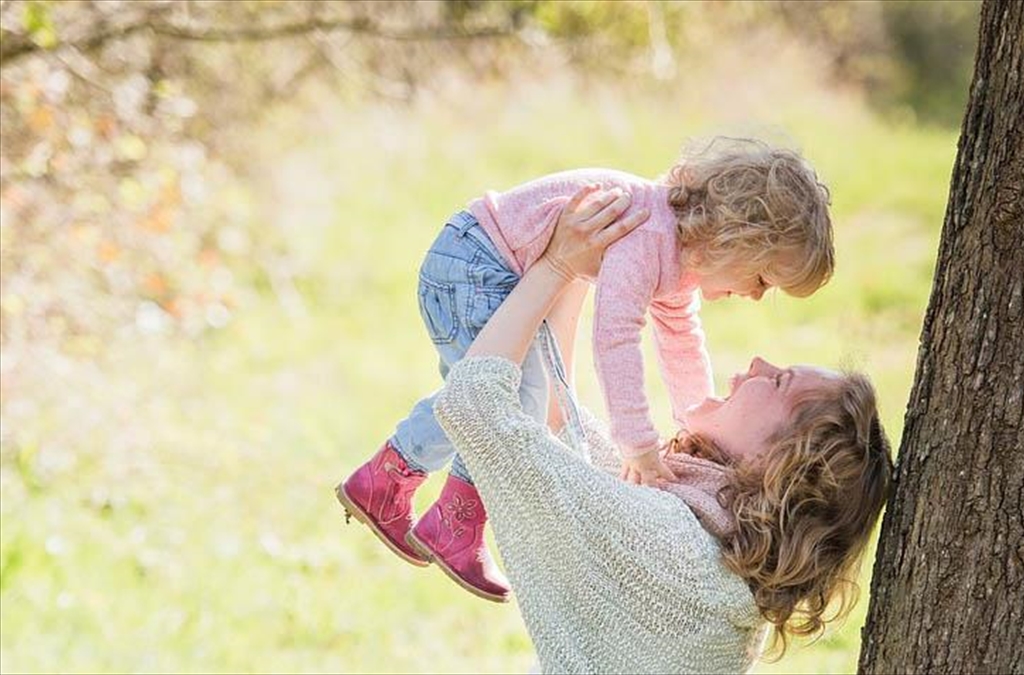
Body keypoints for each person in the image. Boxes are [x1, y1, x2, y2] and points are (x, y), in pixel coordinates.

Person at [337, 137, 835, 602]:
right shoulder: (650, 235)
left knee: (502, 394)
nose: (754, 295)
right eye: (763, 278)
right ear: (734, 238)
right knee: (502, 396)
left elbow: (681, 342)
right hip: (474, 265)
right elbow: (614, 337)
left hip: (485, 265)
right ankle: (447, 515)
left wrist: (695, 422)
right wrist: (637, 442)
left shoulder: (678, 256)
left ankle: (395, 485)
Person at [418, 198, 894, 672]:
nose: (756, 364)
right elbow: (559, 422)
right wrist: (585, 272)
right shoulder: (710, 541)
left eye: (777, 382)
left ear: (781, 461)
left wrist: (556, 264)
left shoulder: (673, 552)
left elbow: (475, 406)